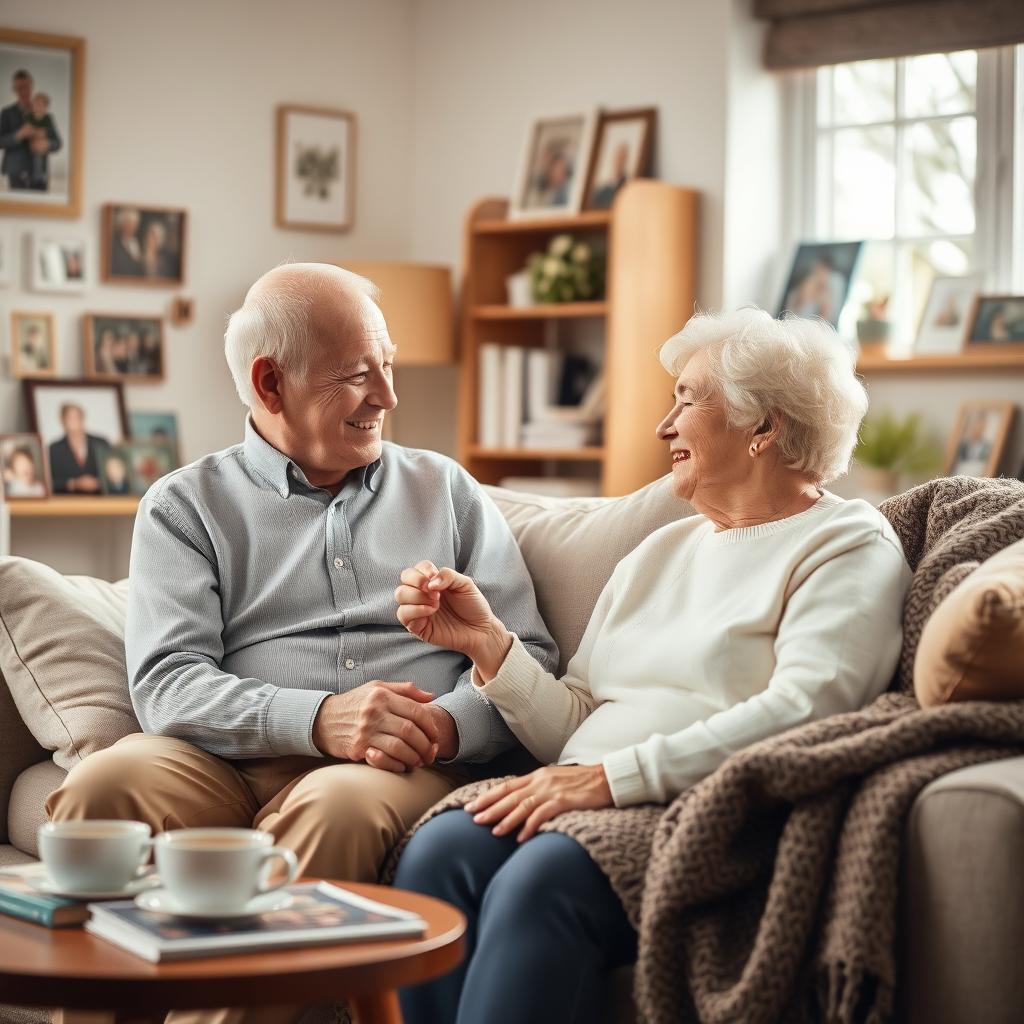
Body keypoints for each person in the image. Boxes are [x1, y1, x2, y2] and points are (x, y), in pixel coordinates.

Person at [45, 262, 557, 1024]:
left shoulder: (445, 490)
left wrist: (445, 725)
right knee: (101, 787)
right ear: (270, 383)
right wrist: (318, 718)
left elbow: (531, 661)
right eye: (357, 375)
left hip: (392, 765)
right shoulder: (184, 506)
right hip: (217, 758)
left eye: (386, 366)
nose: (387, 396)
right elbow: (167, 684)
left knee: (338, 807)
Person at [392, 307, 912, 1024]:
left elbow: (806, 711)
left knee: (541, 880)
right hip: (595, 795)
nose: (663, 426)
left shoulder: (846, 543)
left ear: (764, 428)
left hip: (707, 811)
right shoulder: (661, 551)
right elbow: (575, 721)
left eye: (688, 400)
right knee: (438, 852)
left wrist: (611, 781)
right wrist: (489, 647)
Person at [0, 69, 60, 191]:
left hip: (39, 174)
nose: (24, 91)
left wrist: (47, 143)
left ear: (32, 86)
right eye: (20, 87)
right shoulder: (6, 113)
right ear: (14, 89)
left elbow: (58, 143)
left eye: (26, 86)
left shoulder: (46, 116)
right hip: (15, 173)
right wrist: (18, 135)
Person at [47, 403, 112, 495]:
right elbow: (49, 482)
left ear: (83, 418)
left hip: (100, 500)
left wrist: (99, 482)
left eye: (77, 417)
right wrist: (73, 484)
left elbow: (114, 474)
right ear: (62, 420)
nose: (74, 421)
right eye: (70, 417)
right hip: (69, 502)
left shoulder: (101, 443)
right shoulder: (54, 449)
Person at [26, 91, 57, 189]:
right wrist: (36, 133)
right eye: (36, 104)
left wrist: (43, 136)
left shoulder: (48, 118)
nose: (38, 107)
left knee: (40, 156)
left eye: (41, 105)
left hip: (42, 142)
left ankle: (39, 176)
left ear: (46, 107)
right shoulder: (29, 117)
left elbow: (49, 132)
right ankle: (35, 176)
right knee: (35, 152)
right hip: (32, 141)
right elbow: (28, 129)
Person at [589, 141, 630, 209]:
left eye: (622, 159)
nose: (618, 163)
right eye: (617, 159)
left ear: (625, 162)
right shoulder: (605, 188)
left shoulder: (626, 187)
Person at [952, 410, 992, 476]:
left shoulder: (987, 447)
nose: (977, 428)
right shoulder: (963, 445)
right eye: (976, 425)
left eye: (981, 426)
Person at [110, 207, 143, 276]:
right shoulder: (114, 244)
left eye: (135, 224)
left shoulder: (137, 243)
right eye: (129, 223)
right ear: (122, 224)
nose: (132, 227)